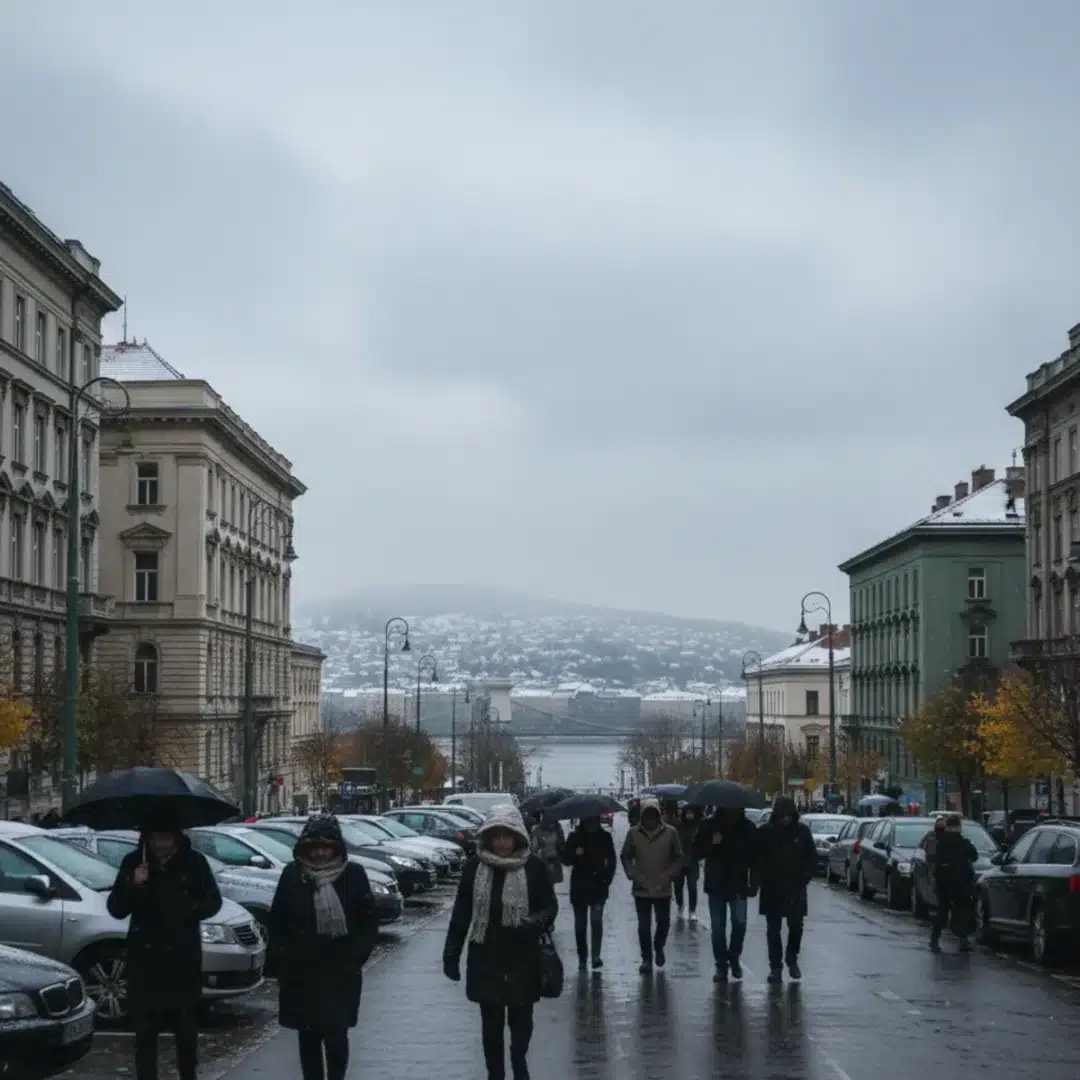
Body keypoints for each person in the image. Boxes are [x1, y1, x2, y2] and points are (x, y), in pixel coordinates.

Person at [106, 807, 223, 1080]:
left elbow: (213, 901)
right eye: (156, 839)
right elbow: (116, 908)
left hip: (182, 961)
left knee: (185, 1034)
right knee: (145, 1035)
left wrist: (186, 911)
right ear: (147, 838)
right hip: (145, 963)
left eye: (167, 838)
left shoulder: (193, 863)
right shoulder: (134, 862)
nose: (161, 845)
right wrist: (134, 884)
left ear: (176, 838)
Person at [443, 804, 558, 1080]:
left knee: (521, 1023)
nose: (503, 843)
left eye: (508, 836)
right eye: (497, 837)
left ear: (518, 836)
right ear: (488, 838)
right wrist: (451, 953)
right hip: (487, 956)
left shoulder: (534, 866)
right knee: (491, 1025)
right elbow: (462, 913)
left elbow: (550, 906)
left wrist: (534, 921)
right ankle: (495, 1074)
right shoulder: (475, 868)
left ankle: (519, 1065)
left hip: (523, 956)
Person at [270, 813, 379, 1080]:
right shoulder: (293, 876)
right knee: (308, 1038)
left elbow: (368, 921)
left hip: (340, 972)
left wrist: (355, 958)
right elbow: (277, 921)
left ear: (336, 848)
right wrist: (282, 960)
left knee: (336, 1035)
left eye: (326, 847)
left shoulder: (353, 875)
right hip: (301, 974)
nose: (320, 853)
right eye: (315, 847)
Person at [693, 805, 759, 982]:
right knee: (718, 927)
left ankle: (734, 956)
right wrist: (712, 844)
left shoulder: (748, 828)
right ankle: (721, 965)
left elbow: (755, 857)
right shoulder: (709, 825)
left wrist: (754, 882)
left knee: (740, 923)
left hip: (738, 883)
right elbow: (697, 851)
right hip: (716, 884)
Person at [756, 795, 816, 984]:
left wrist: (804, 876)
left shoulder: (803, 832)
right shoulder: (766, 833)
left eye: (788, 816)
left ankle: (792, 959)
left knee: (796, 926)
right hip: (772, 887)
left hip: (795, 887)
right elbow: (757, 857)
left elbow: (811, 858)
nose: (785, 819)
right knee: (773, 930)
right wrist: (762, 876)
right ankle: (775, 967)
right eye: (782, 816)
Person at [619, 796, 682, 974]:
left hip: (662, 888)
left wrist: (670, 874)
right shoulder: (633, 833)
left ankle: (659, 946)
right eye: (647, 816)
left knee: (663, 922)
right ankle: (646, 958)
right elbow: (625, 856)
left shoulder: (670, 833)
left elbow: (678, 856)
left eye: (653, 816)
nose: (650, 820)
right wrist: (631, 873)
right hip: (642, 888)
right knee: (644, 926)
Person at [562, 815, 617, 970]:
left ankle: (595, 956)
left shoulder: (604, 837)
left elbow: (611, 860)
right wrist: (575, 853)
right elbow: (565, 859)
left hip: (598, 886)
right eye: (589, 820)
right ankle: (582, 957)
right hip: (579, 887)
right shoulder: (574, 837)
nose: (592, 823)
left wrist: (607, 879)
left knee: (596, 921)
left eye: (594, 820)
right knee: (580, 925)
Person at [930, 814, 978, 953]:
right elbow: (974, 855)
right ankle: (963, 940)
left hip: (944, 882)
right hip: (961, 882)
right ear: (958, 827)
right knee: (962, 911)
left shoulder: (941, 842)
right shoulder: (962, 842)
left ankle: (934, 940)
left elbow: (936, 862)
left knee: (942, 912)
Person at [673, 805, 702, 922]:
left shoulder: (698, 827)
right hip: (679, 862)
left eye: (692, 812)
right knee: (678, 886)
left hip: (693, 862)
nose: (690, 815)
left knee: (692, 887)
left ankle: (692, 910)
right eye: (688, 812)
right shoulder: (678, 827)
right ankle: (680, 905)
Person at [530, 810, 566, 886]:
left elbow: (563, 846)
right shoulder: (537, 829)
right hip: (543, 862)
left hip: (555, 861)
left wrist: (559, 844)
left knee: (551, 884)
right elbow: (534, 849)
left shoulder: (558, 828)